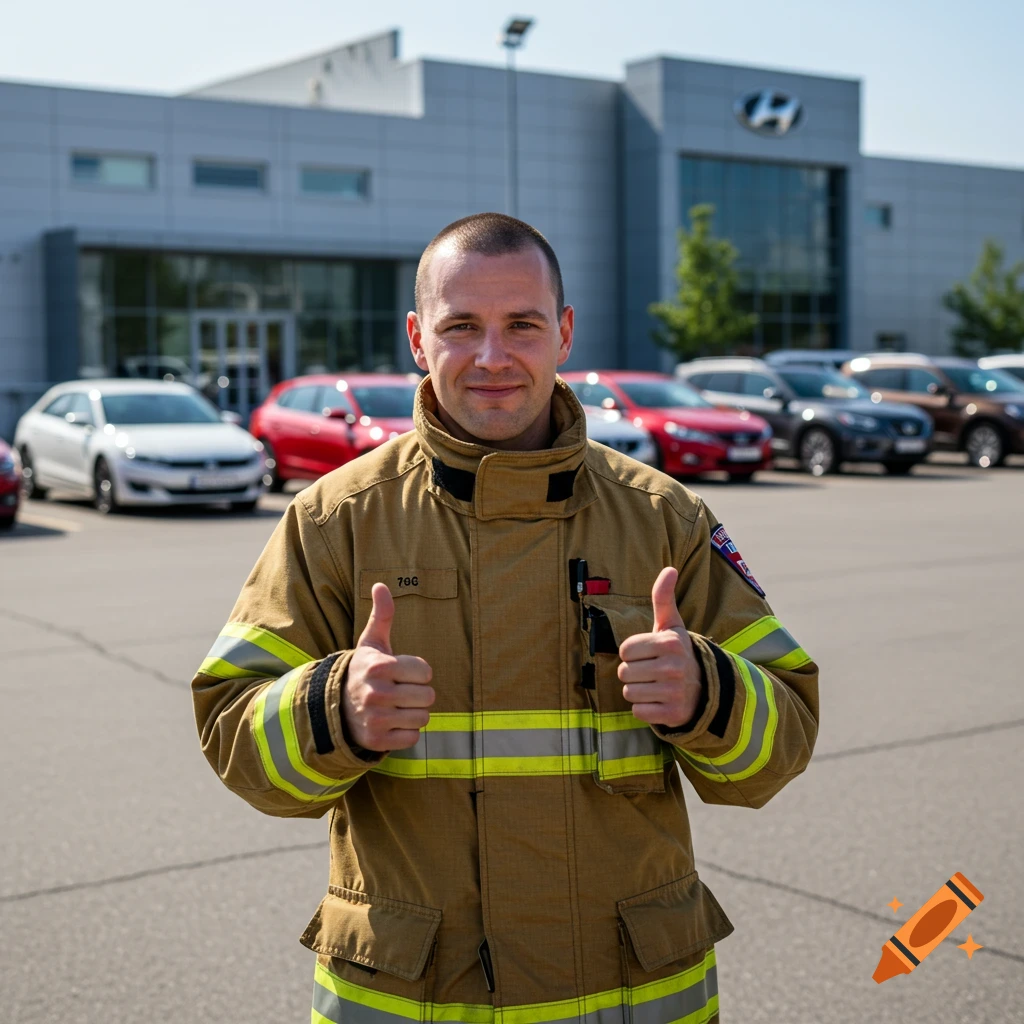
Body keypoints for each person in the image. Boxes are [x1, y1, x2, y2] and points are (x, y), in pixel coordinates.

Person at [191, 213, 819, 1024]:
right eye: (462, 327)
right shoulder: (334, 520)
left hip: (637, 996)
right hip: (409, 998)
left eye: (521, 324)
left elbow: (786, 735)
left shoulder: (665, 517)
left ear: (563, 333)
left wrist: (711, 692)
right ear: (419, 339)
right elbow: (231, 729)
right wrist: (330, 708)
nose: (493, 357)